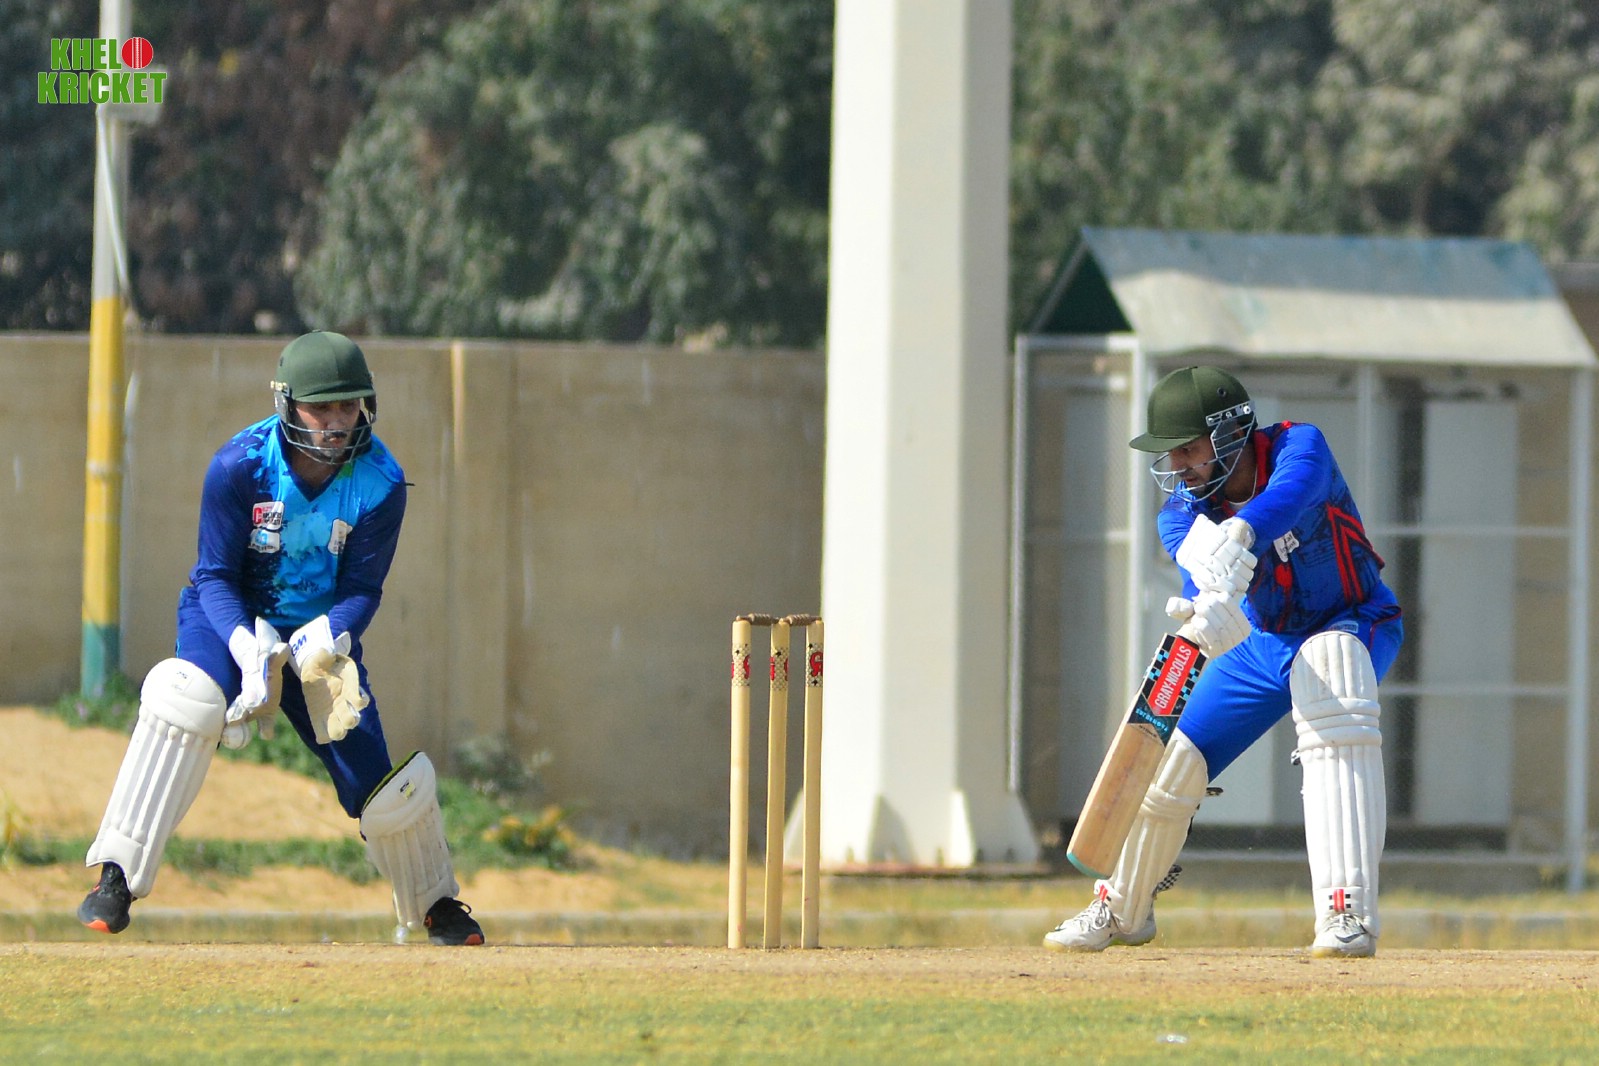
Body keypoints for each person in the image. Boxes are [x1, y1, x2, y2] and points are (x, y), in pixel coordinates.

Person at [77, 331, 485, 946]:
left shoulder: (381, 481)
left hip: (318, 631)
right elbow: (214, 576)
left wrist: (326, 638)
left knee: (374, 777)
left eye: (348, 406)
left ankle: (438, 904)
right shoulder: (239, 466)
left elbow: (363, 588)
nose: (337, 423)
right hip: (229, 617)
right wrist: (248, 650)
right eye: (322, 408)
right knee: (186, 702)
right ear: (288, 403)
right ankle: (116, 878)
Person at [1044, 365, 1402, 958]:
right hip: (1261, 645)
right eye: (1170, 453)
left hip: (1350, 618)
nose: (1177, 465)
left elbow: (1292, 495)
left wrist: (1240, 533)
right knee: (1171, 759)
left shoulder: (1299, 446)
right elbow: (1202, 581)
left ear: (1230, 432)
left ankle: (1347, 914)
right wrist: (1208, 610)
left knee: (1332, 666)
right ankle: (1121, 907)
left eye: (1188, 449)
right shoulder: (1178, 515)